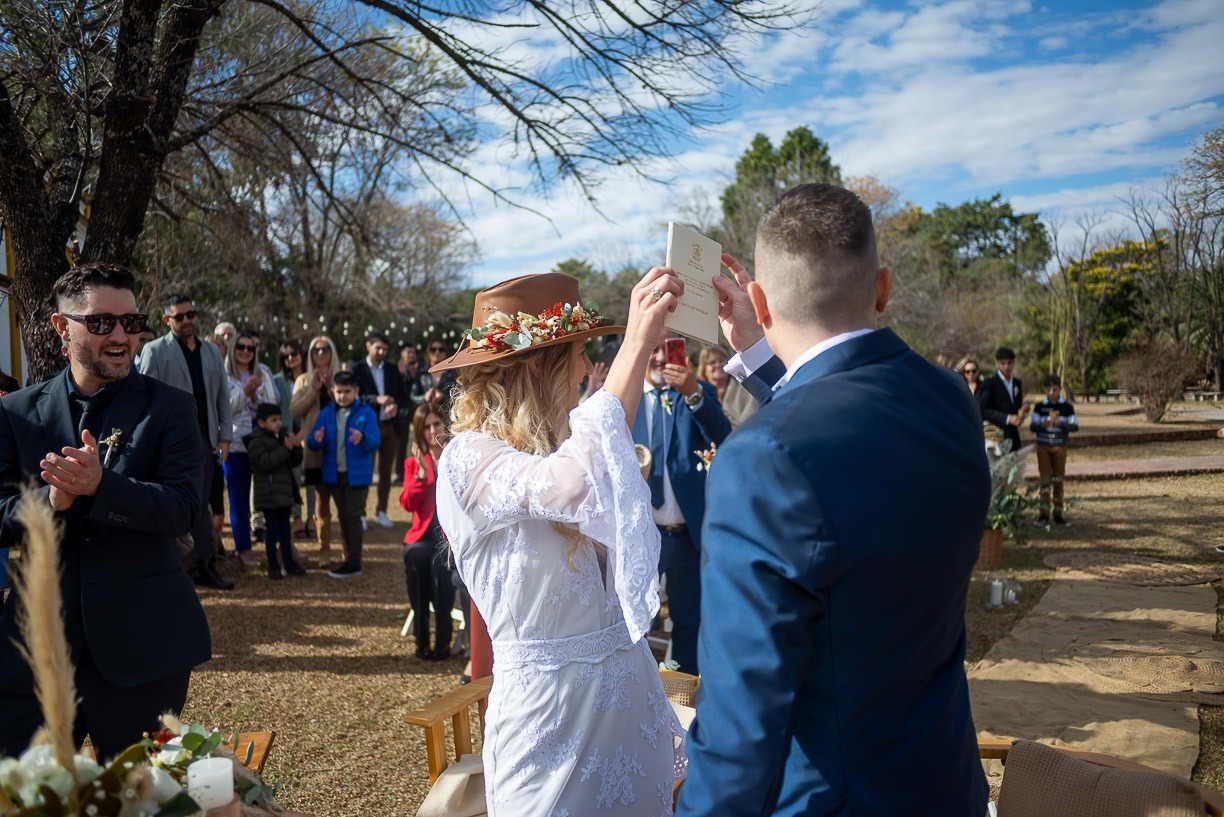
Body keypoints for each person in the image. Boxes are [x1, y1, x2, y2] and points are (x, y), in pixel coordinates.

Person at [676, 184, 990, 817]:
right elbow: (837, 423)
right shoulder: (949, 399)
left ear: (760, 302)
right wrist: (759, 353)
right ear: (882, 287)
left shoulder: (760, 459)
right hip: (945, 783)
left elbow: (742, 721)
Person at [433, 270, 688, 816]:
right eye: (577, 353)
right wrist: (636, 344)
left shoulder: (566, 446)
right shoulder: (467, 458)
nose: (586, 368)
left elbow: (600, 452)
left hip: (629, 721)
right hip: (550, 732)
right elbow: (569, 484)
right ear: (537, 366)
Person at [0, 262, 210, 759]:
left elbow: (183, 509)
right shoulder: (15, 413)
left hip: (143, 648)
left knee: (137, 793)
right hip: (36, 653)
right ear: (61, 326)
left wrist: (102, 487)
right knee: (26, 792)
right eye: (100, 323)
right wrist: (51, 501)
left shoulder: (171, 408)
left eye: (130, 322)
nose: (120, 336)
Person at [631, 334, 731, 674]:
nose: (661, 357)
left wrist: (693, 392)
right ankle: (636, 692)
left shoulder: (696, 392)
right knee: (635, 623)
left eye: (668, 348)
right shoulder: (627, 397)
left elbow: (722, 435)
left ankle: (683, 692)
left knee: (690, 624)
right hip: (642, 536)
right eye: (654, 349)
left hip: (687, 535)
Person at [140, 295, 235, 590]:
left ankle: (204, 566)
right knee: (176, 506)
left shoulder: (212, 351)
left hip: (207, 442)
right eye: (179, 316)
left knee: (201, 505)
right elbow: (146, 400)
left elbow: (222, 397)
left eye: (190, 314)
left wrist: (225, 437)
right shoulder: (155, 351)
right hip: (171, 444)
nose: (187, 321)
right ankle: (176, 569)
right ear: (166, 320)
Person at [306, 370, 380, 578]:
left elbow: (375, 441)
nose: (343, 396)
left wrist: (363, 437)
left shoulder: (366, 412)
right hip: (334, 474)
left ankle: (354, 562)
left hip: (357, 475)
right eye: (339, 392)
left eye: (347, 392)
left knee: (353, 516)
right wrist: (316, 439)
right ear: (333, 391)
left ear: (356, 391)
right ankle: (349, 559)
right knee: (343, 516)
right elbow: (312, 441)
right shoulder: (327, 413)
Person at [399, 404, 453, 659]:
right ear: (419, 432)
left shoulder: (455, 457)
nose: (433, 431)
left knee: (441, 575)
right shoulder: (413, 462)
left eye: (437, 424)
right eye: (427, 427)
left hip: (447, 538)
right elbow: (407, 503)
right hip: (421, 536)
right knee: (416, 562)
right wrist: (421, 476)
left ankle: (443, 643)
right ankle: (421, 642)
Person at [223, 330, 279, 568]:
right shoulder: (223, 374)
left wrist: (256, 398)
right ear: (233, 349)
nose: (245, 351)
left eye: (250, 348)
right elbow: (223, 409)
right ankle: (243, 549)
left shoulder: (263, 371)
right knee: (238, 498)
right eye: (241, 347)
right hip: (236, 443)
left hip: (263, 442)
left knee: (272, 495)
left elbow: (273, 405)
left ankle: (279, 544)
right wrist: (244, 393)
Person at [351, 332, 411, 529]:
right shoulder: (357, 369)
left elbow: (403, 396)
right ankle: (361, 513)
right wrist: (376, 399)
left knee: (386, 472)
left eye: (385, 349)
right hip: (367, 427)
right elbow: (353, 397)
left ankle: (382, 511)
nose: (381, 352)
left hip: (390, 426)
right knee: (366, 470)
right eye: (378, 348)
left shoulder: (392, 369)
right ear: (368, 346)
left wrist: (395, 405)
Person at [292, 335, 340, 566]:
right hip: (315, 449)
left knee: (344, 500)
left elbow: (351, 403)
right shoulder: (303, 380)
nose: (321, 353)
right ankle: (324, 551)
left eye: (325, 349)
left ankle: (348, 551)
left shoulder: (341, 375)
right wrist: (313, 391)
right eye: (316, 350)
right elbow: (293, 411)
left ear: (332, 352)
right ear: (310, 354)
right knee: (321, 498)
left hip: (340, 447)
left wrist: (331, 388)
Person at [246, 403, 307, 578]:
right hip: (269, 495)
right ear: (261, 423)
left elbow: (293, 462)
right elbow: (266, 462)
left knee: (285, 531)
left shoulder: (281, 437)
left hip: (284, 494)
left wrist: (296, 447)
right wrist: (286, 448)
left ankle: (288, 563)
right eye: (273, 420)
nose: (279, 423)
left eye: (279, 419)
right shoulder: (256, 441)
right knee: (272, 531)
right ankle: (272, 565)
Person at [1030, 374, 1078, 526]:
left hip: (1060, 447)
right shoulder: (1039, 407)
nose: (1052, 393)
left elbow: (1075, 426)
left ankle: (1058, 514)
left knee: (1058, 480)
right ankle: (1043, 515)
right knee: (1045, 480)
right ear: (1044, 389)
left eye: (1055, 389)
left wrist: (1061, 424)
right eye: (1049, 389)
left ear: (1060, 389)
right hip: (1043, 446)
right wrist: (1042, 424)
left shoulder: (1067, 407)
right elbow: (1033, 427)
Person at [273, 340, 310, 539]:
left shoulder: (311, 377)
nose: (290, 358)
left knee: (312, 477)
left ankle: (312, 517)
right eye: (285, 356)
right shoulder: (278, 381)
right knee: (293, 476)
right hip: (288, 435)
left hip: (310, 431)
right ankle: (296, 518)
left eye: (294, 353)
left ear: (301, 354)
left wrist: (304, 431)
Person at [979, 346, 1028, 454]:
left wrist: (1023, 413)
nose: (1006, 366)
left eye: (1009, 363)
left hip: (1013, 435)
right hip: (995, 435)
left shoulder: (1017, 383)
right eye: (1003, 363)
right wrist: (1007, 418)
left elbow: (1016, 409)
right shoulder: (990, 383)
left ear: (1013, 363)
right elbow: (982, 410)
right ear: (997, 364)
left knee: (1015, 464)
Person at [697, 344, 756, 428]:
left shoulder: (746, 389)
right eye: (712, 362)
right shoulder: (699, 394)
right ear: (703, 368)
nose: (718, 365)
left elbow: (750, 418)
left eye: (721, 361)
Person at [414, 339, 459, 417]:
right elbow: (412, 396)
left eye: (441, 349)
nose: (437, 352)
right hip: (425, 416)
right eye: (433, 349)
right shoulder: (421, 373)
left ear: (445, 353)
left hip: (446, 416)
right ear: (428, 353)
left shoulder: (452, 374)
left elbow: (458, 397)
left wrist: (443, 397)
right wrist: (424, 398)